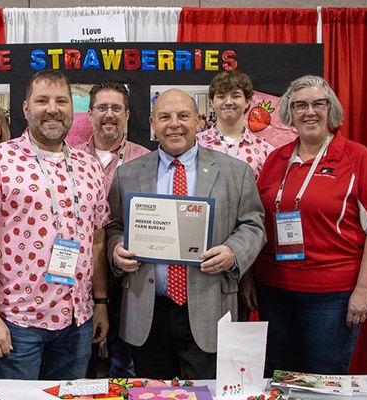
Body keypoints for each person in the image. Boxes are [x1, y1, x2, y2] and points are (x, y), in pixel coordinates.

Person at [0, 70, 111, 380]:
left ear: (73, 109)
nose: (52, 109)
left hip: (77, 320)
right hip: (18, 322)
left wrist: (100, 303)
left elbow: (97, 239)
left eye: (61, 101)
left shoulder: (89, 165)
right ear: (26, 108)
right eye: (42, 100)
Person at [106, 88, 265, 380]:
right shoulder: (127, 173)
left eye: (183, 116)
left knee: (208, 393)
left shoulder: (235, 172)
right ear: (153, 124)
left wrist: (232, 252)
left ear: (199, 121)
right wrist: (117, 249)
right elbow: (115, 226)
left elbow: (253, 224)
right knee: (151, 394)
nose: (174, 124)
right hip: (147, 311)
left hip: (209, 306)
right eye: (164, 117)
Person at [253, 75, 367, 375]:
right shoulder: (275, 158)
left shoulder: (357, 158)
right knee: (279, 377)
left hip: (331, 298)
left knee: (323, 380)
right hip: (274, 292)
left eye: (319, 103)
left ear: (331, 109)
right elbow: (259, 222)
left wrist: (364, 291)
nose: (310, 111)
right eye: (300, 105)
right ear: (289, 112)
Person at [77, 81, 149, 378]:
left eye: (116, 108)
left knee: (126, 364)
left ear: (128, 114)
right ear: (90, 114)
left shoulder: (147, 160)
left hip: (129, 275)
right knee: (82, 364)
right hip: (80, 275)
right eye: (102, 108)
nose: (109, 114)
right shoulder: (71, 160)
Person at [196, 70, 274, 320]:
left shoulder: (266, 152)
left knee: (237, 327)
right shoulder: (195, 145)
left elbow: (264, 207)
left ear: (248, 101)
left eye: (236, 95)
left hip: (249, 253)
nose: (228, 101)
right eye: (221, 95)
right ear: (213, 102)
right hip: (202, 250)